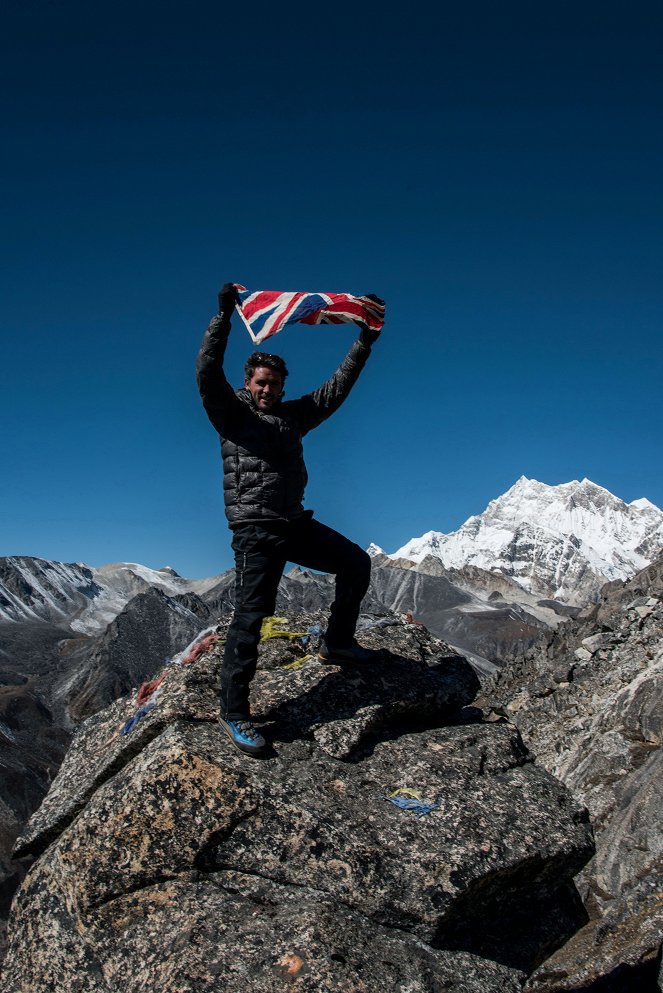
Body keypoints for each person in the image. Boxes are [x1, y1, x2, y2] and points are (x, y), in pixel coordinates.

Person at [196, 283, 383, 755]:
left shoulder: (294, 416)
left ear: (281, 387)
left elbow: (335, 390)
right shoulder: (230, 414)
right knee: (252, 618)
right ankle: (236, 713)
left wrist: (363, 341)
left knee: (355, 563)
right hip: (256, 530)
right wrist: (222, 317)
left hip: (293, 523)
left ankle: (338, 643)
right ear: (248, 383)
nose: (267, 390)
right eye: (260, 383)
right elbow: (206, 371)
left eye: (274, 384)